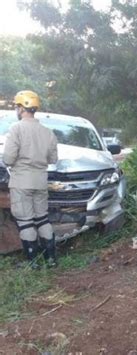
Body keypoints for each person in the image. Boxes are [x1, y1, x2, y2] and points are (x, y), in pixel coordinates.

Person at [3, 90, 58, 268]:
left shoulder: (16, 129)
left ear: (21, 108)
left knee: (26, 221)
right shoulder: (48, 132)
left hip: (21, 182)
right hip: (41, 182)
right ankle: (51, 259)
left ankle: (33, 263)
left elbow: (8, 159)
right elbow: (53, 159)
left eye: (17, 106)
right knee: (42, 219)